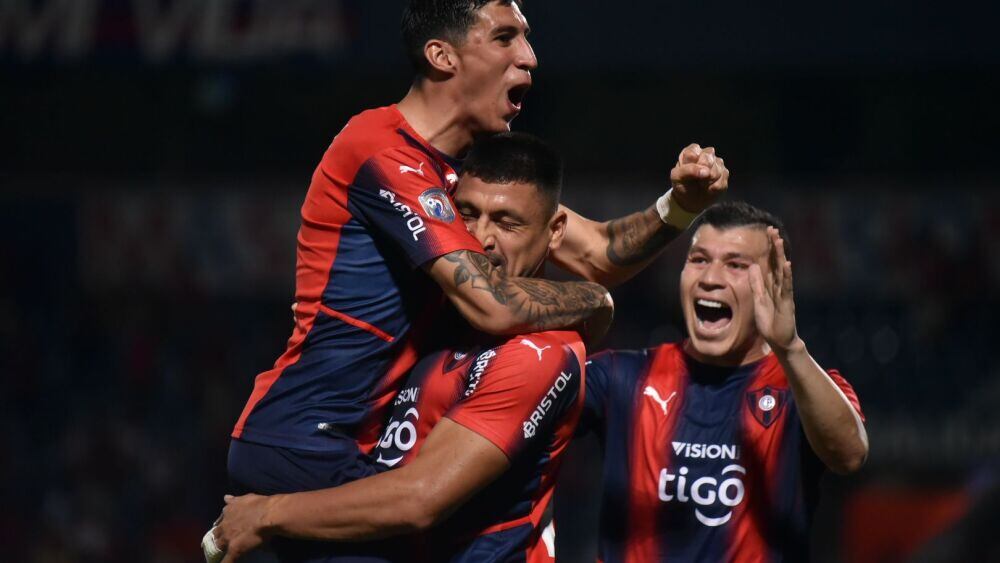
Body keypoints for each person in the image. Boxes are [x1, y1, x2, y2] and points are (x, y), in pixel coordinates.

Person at [223, 3, 729, 559]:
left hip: (364, 441)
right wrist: (594, 303)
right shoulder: (381, 149)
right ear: (443, 56)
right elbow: (492, 305)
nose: (529, 58)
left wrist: (679, 207)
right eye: (506, 38)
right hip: (311, 438)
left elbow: (600, 251)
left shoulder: (462, 174)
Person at [215, 132, 690, 562]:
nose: (482, 239)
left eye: (507, 222)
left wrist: (268, 514)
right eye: (468, 214)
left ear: (555, 234)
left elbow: (419, 498)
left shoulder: (537, 353)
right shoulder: (440, 313)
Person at [580, 201, 869, 562]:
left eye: (736, 265)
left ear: (776, 283)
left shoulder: (802, 387)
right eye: (699, 259)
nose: (710, 278)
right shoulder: (622, 377)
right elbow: (519, 403)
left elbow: (850, 455)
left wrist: (790, 349)